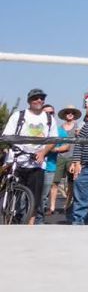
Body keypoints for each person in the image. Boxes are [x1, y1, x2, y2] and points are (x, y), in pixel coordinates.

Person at [1, 88, 58, 225]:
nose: (39, 100)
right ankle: (10, 220)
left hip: (37, 163)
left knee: (35, 196)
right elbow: (7, 135)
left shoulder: (49, 118)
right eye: (35, 98)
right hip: (18, 160)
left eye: (41, 98)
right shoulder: (18, 115)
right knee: (13, 195)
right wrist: (13, 149)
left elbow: (53, 139)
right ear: (29, 101)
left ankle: (30, 225)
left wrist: (43, 152)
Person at [48, 105, 80, 218]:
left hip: (72, 157)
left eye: (72, 112)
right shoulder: (59, 128)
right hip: (59, 156)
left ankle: (67, 205)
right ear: (64, 115)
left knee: (71, 182)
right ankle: (52, 206)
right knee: (55, 182)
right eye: (67, 112)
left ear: (74, 115)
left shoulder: (78, 127)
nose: (70, 114)